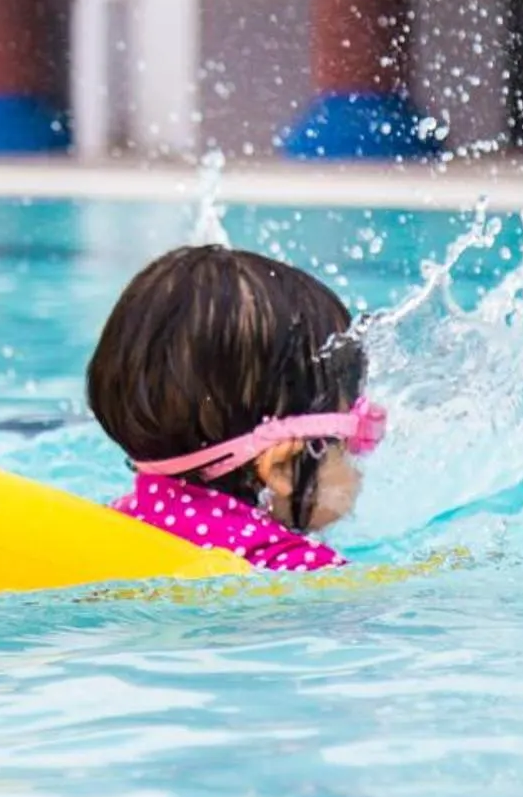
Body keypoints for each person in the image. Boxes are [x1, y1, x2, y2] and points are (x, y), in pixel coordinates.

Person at [87, 244, 383, 573]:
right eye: (358, 437)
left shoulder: (112, 527)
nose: (359, 462)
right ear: (281, 469)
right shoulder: (301, 567)